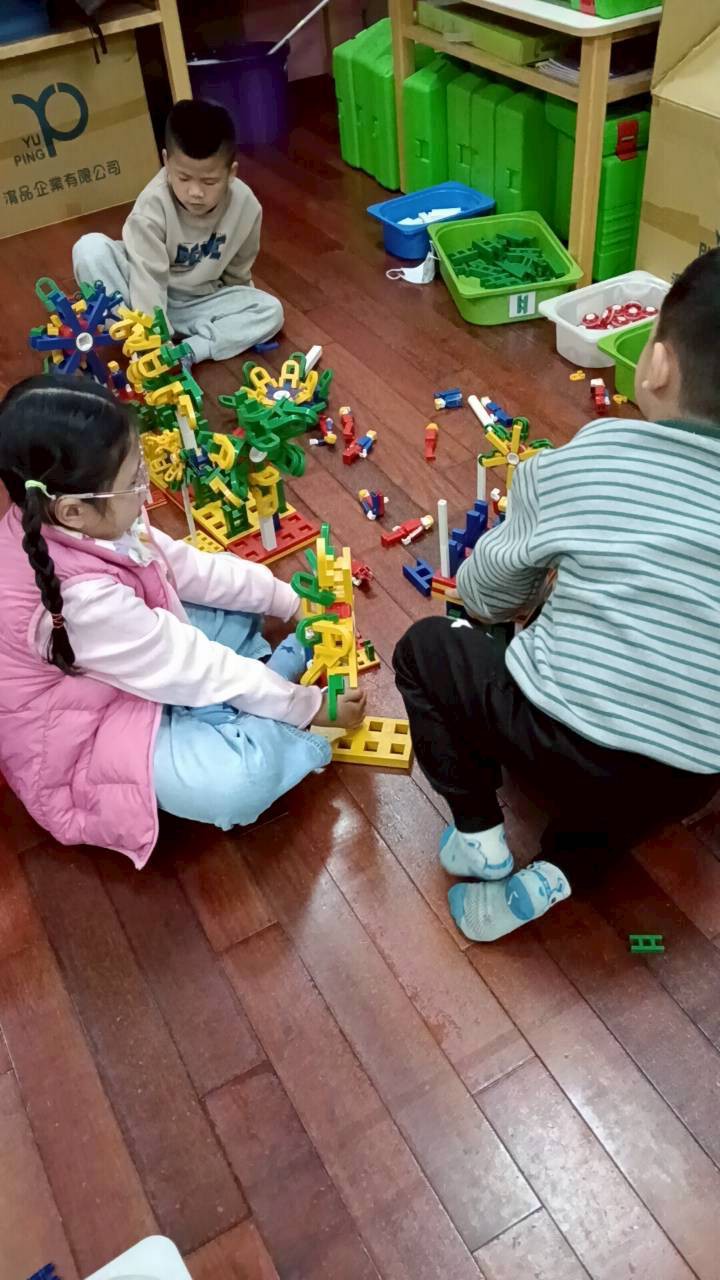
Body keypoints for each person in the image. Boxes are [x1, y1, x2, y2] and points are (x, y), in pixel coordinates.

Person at [394, 248, 720, 942]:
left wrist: (494, 605)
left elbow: (488, 589)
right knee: (635, 795)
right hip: (684, 780)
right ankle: (558, 872)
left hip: (552, 738)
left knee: (426, 650)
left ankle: (479, 833)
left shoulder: (599, 453)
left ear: (657, 366)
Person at [0, 375, 364, 867]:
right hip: (86, 730)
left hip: (129, 658)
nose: (146, 488)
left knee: (230, 599)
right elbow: (195, 665)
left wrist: (288, 600)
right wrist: (309, 707)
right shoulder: (81, 600)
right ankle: (272, 692)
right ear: (73, 511)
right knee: (237, 783)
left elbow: (188, 568)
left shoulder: (88, 521)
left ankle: (251, 700)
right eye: (134, 481)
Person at [72, 99, 283, 366]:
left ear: (231, 173)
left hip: (198, 302)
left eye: (209, 181)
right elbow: (148, 278)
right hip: (140, 296)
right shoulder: (152, 206)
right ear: (166, 161)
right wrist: (153, 341)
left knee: (270, 310)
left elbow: (237, 275)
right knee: (89, 249)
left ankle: (187, 351)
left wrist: (239, 310)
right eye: (183, 178)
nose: (195, 192)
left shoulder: (246, 206)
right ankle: (130, 335)